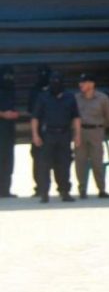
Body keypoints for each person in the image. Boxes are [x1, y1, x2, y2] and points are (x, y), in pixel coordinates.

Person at [31, 72, 80, 203]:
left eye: (58, 81)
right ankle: (44, 193)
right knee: (44, 165)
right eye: (53, 81)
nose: (55, 84)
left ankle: (64, 192)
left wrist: (77, 135)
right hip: (47, 135)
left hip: (64, 134)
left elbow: (76, 117)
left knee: (64, 164)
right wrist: (35, 135)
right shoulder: (43, 97)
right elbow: (35, 117)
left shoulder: (70, 97)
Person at [74, 72, 109, 199]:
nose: (81, 85)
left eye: (84, 82)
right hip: (80, 132)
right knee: (80, 161)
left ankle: (101, 189)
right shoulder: (76, 98)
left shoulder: (103, 98)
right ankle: (82, 188)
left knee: (97, 161)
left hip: (96, 131)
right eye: (80, 82)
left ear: (92, 84)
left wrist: (101, 128)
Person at [28, 65, 51, 197]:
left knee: (59, 159)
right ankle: (40, 187)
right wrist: (35, 133)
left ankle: (63, 187)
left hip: (55, 129)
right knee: (38, 159)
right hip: (39, 129)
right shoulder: (34, 91)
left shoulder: (56, 90)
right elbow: (32, 112)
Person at [0, 65, 19, 198]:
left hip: (8, 131)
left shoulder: (11, 90)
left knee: (8, 161)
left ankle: (5, 190)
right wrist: (3, 114)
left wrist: (14, 114)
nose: (8, 78)